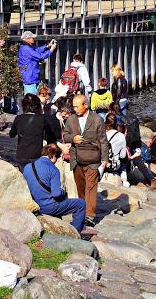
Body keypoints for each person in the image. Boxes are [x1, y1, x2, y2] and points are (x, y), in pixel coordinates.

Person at [64, 94, 109, 227]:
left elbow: (103, 140)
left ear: (86, 105)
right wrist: (73, 138)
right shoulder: (71, 119)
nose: (74, 109)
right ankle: (82, 210)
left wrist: (105, 158)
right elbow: (65, 135)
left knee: (91, 187)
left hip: (93, 158)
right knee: (81, 188)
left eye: (77, 106)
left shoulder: (97, 119)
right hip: (77, 158)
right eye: (73, 106)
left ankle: (90, 215)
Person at [23, 144, 86, 234]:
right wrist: (62, 191)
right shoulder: (53, 169)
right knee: (81, 203)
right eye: (57, 157)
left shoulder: (28, 166)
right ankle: (75, 232)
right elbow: (56, 194)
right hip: (47, 207)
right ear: (52, 156)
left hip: (34, 204)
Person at [10, 93, 59, 171]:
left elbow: (11, 134)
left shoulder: (18, 118)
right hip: (36, 155)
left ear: (24, 105)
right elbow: (50, 135)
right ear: (37, 105)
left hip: (22, 155)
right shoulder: (42, 119)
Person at [17, 31, 57, 96]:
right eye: (32, 38)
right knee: (32, 99)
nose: (34, 39)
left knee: (35, 98)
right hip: (30, 78)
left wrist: (47, 46)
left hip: (31, 77)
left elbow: (36, 50)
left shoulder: (25, 47)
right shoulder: (26, 49)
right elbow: (41, 56)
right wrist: (51, 50)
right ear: (27, 39)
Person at [104, 112, 128, 186]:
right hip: (115, 166)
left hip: (103, 164)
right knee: (124, 161)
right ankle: (124, 180)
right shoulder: (121, 136)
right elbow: (122, 156)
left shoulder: (102, 134)